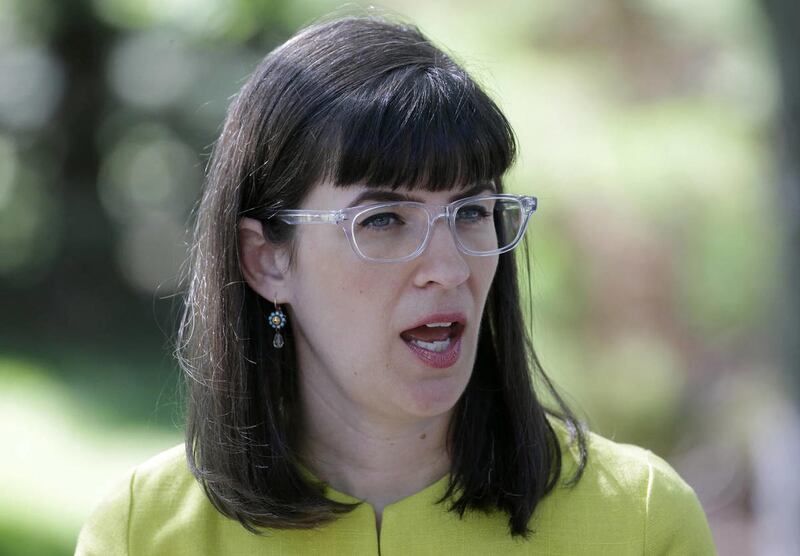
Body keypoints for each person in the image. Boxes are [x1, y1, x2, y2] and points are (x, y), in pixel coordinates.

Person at [76, 14, 717, 555]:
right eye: (383, 219)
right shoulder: (144, 532)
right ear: (267, 259)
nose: (450, 265)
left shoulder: (640, 521)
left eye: (471, 211)